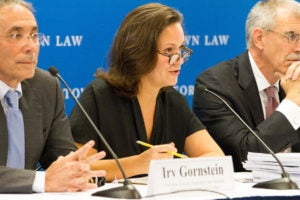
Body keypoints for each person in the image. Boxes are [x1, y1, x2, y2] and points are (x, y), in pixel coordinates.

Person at [70, 3, 224, 182]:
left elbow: (215, 157)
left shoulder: (174, 102)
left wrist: (177, 169)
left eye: (181, 49)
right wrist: (139, 164)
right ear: (139, 52)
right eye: (168, 51)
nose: (179, 60)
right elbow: (79, 167)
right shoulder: (99, 96)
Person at [0, 0, 106, 193]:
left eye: (34, 35)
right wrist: (42, 181)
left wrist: (76, 170)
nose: (30, 46)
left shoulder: (45, 86)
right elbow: (45, 180)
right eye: (16, 36)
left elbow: (61, 155)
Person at [193, 0, 300, 172]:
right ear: (259, 38)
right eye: (291, 36)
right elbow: (245, 156)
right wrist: (293, 102)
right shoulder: (214, 86)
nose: (299, 47)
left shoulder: (296, 81)